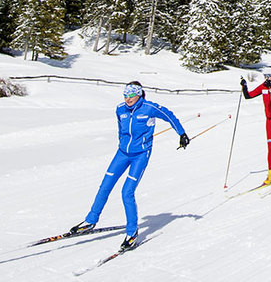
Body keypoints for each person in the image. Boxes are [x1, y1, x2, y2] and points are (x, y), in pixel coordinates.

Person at [69, 81, 189, 251]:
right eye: (125, 95)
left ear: (139, 94)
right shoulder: (120, 109)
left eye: (131, 95)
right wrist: (122, 143)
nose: (128, 99)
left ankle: (132, 233)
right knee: (105, 185)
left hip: (140, 155)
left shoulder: (149, 108)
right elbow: (120, 129)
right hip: (122, 153)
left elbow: (170, 115)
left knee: (127, 192)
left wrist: (182, 134)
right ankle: (90, 221)